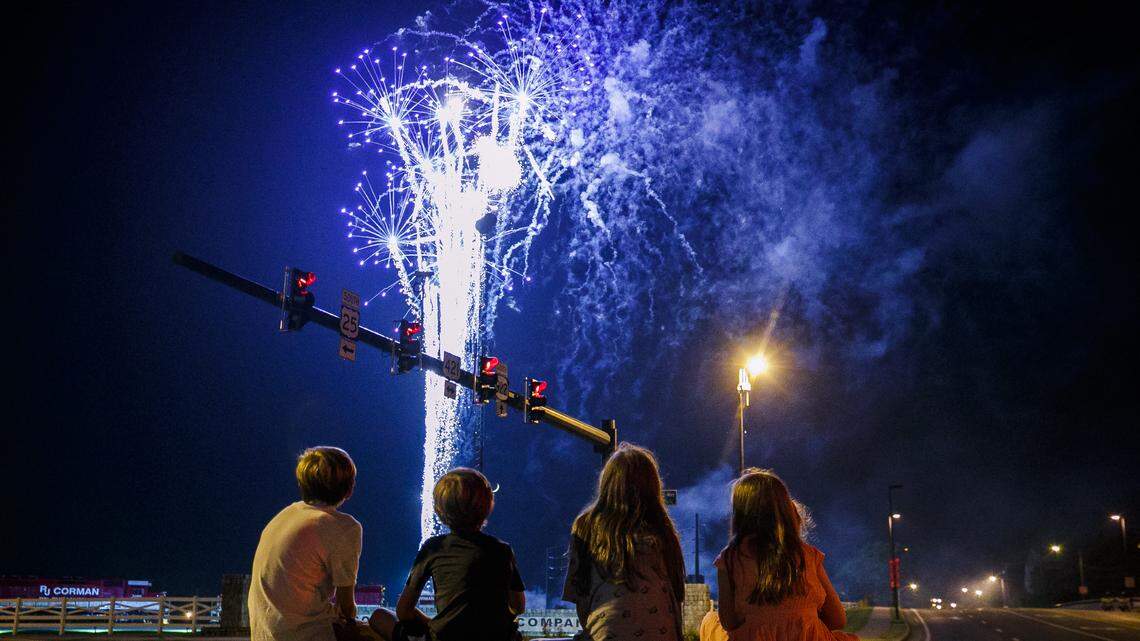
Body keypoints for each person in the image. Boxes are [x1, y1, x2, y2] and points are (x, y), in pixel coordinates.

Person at [699, 469, 857, 641]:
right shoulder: (808, 556)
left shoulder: (729, 559)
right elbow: (837, 619)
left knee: (710, 622)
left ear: (740, 514)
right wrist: (802, 622)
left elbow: (729, 622)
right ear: (786, 510)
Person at [370, 467, 525, 641]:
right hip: (498, 637)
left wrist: (433, 623)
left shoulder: (433, 548)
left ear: (439, 510)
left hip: (446, 636)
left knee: (379, 616)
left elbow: (403, 611)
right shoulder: (502, 550)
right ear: (488, 505)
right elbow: (518, 606)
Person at [562, 443, 686, 641]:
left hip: (608, 630)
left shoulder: (586, 525)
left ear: (608, 482)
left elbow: (579, 592)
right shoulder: (664, 529)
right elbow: (677, 593)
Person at [249, 446, 364, 641]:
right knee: (380, 627)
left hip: (264, 633)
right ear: (350, 488)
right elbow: (347, 605)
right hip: (305, 633)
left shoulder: (283, 516)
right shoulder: (342, 526)